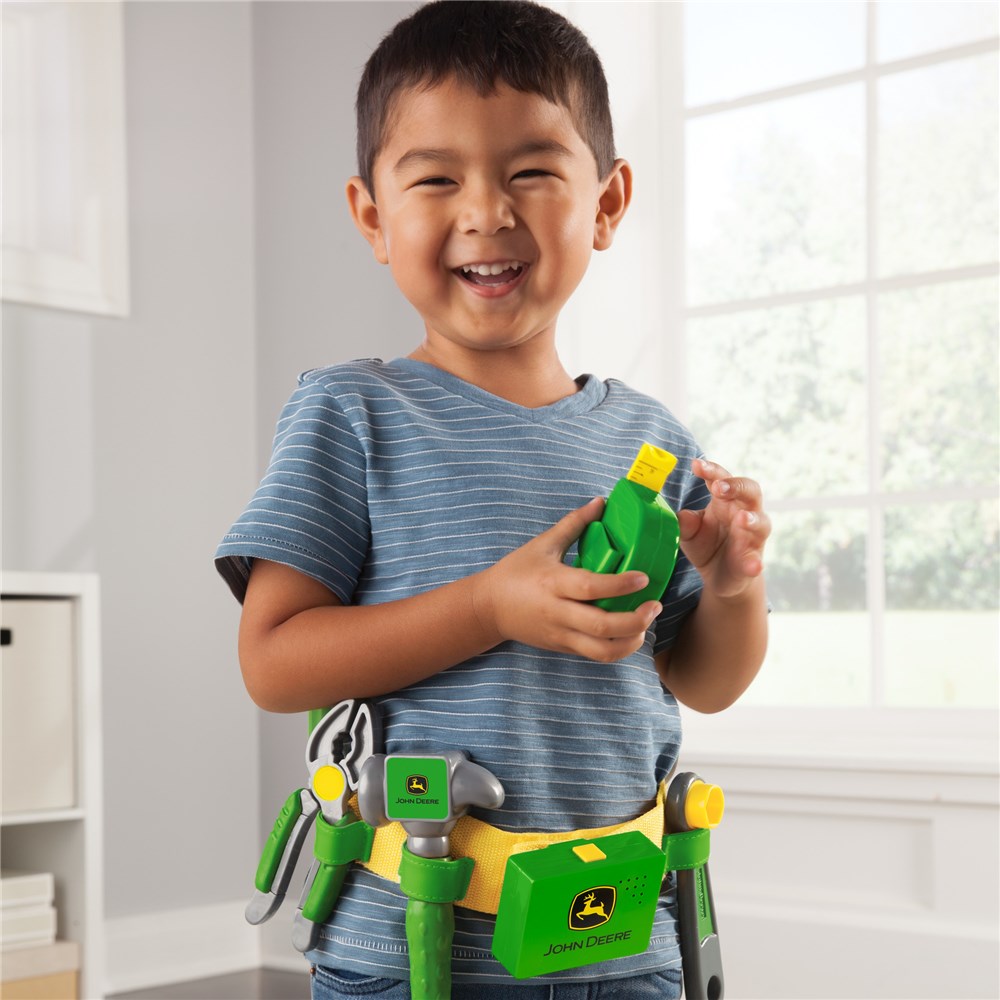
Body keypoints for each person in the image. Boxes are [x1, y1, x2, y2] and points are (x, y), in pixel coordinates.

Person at [216, 2, 770, 997]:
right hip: (416, 949)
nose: (486, 210)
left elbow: (703, 679)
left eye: (531, 171)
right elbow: (273, 661)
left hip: (625, 940)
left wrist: (730, 589)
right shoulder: (350, 413)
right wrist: (489, 607)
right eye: (436, 178)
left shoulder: (654, 443)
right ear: (373, 216)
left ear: (605, 202)